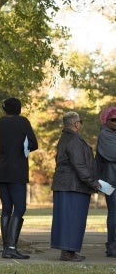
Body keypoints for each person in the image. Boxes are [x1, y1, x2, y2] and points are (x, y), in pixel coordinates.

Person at [51, 111, 100, 262]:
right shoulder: (74, 140)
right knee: (73, 219)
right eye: (80, 122)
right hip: (73, 186)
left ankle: (68, 251)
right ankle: (67, 252)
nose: (81, 124)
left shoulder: (64, 139)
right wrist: (93, 183)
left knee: (66, 219)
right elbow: (79, 165)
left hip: (66, 184)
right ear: (76, 124)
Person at [0, 97, 38, 259]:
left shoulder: (1, 122)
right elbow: (34, 143)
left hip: (1, 170)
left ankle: (6, 248)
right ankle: (11, 247)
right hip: (17, 170)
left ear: (5, 109)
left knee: (6, 207)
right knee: (19, 207)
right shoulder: (23, 122)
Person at [96, 106, 116, 258]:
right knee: (114, 213)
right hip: (109, 183)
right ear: (106, 120)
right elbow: (112, 154)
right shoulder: (105, 135)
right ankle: (112, 246)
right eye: (113, 120)